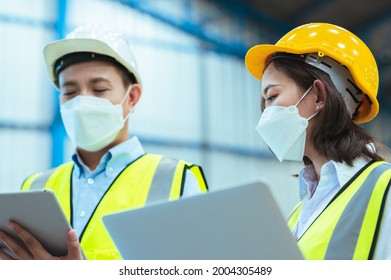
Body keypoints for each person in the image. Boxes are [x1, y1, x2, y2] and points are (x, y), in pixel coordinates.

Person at [0, 24, 208, 260]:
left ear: (131, 97)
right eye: (70, 92)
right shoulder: (34, 187)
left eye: (99, 89)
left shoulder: (177, 180)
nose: (81, 103)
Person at [245, 22, 391, 260]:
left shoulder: (386, 187)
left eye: (272, 97)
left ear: (318, 96)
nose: (266, 115)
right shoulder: (300, 213)